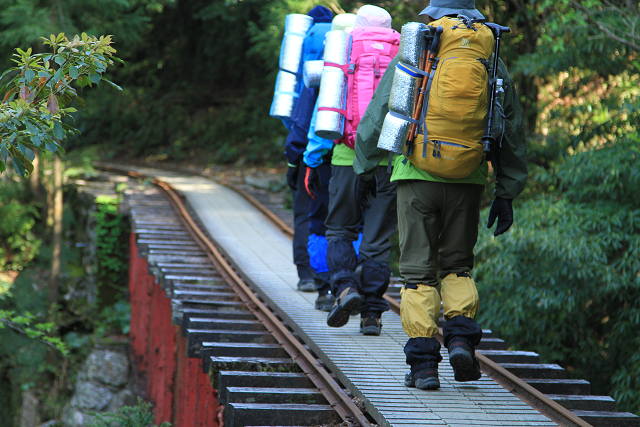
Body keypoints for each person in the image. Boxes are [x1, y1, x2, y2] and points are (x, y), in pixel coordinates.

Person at [353, 0, 528, 389]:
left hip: (416, 176)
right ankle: (462, 340)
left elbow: (381, 109)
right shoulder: (489, 51)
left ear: (435, 13)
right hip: (467, 178)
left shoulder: (421, 46)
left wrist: (364, 170)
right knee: (457, 267)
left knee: (417, 275)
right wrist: (507, 191)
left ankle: (424, 366)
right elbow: (509, 126)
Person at [306, 5, 400, 336]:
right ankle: (372, 314)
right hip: (389, 161)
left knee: (340, 229)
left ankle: (346, 289)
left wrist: (312, 159)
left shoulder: (344, 49)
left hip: (347, 156)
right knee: (376, 238)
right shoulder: (403, 51)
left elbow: (325, 111)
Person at [283, 5, 333, 297]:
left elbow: (299, 111)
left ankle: (307, 275)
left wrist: (293, 160)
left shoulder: (305, 41)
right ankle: (341, 277)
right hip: (342, 148)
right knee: (340, 218)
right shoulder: (345, 44)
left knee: (305, 213)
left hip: (308, 149)